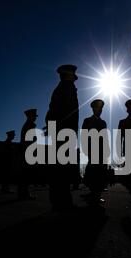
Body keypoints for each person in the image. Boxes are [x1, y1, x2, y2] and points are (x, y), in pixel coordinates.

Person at [45, 64, 79, 211]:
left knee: (60, 167)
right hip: (64, 132)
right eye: (72, 75)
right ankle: (62, 202)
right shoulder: (66, 88)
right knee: (62, 168)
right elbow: (56, 111)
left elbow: (51, 112)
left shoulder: (63, 88)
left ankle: (59, 201)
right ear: (67, 75)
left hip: (62, 131)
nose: (74, 78)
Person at [82, 99, 109, 205]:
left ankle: (96, 194)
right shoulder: (87, 120)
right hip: (92, 149)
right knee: (93, 170)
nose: (99, 110)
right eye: (97, 108)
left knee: (101, 171)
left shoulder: (103, 122)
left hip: (102, 150)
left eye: (101, 108)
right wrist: (86, 149)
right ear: (93, 109)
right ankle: (93, 194)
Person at [18, 109, 38, 200]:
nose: (35, 118)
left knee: (25, 173)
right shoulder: (29, 126)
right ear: (30, 116)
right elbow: (29, 140)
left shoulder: (28, 125)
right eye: (34, 116)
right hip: (27, 150)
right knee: (25, 173)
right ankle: (24, 193)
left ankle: (23, 193)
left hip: (27, 150)